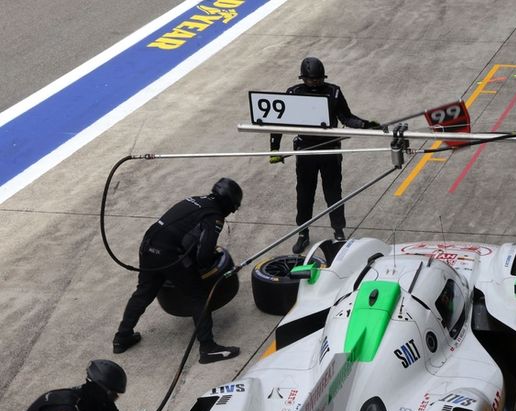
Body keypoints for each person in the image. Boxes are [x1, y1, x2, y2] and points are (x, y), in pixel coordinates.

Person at [112, 178, 243, 364]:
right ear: (228, 203)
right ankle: (208, 348)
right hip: (168, 254)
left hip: (148, 243)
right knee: (198, 295)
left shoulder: (196, 200)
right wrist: (213, 258)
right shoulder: (214, 216)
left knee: (144, 292)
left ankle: (122, 337)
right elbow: (204, 255)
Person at [269, 57, 380, 254]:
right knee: (304, 194)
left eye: (319, 79)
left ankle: (338, 231)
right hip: (306, 151)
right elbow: (278, 122)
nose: (315, 83)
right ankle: (303, 233)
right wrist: (275, 148)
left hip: (329, 150)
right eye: (311, 80)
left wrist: (365, 124)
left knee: (333, 193)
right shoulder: (293, 93)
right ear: (303, 78)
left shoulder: (334, 92)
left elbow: (346, 117)